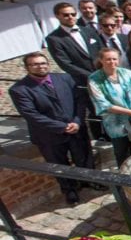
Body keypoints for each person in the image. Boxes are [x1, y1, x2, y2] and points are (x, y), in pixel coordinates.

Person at [10, 52, 95, 205]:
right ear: (27, 67)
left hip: (76, 128)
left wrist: (77, 121)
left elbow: (80, 101)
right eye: (35, 64)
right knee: (59, 165)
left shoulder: (65, 78)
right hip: (49, 135)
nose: (40, 66)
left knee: (83, 157)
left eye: (43, 63)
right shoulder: (19, 89)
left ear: (48, 64)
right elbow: (31, 115)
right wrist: (62, 127)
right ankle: (69, 190)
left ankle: (89, 181)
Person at [88, 48, 131, 166]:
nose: (112, 62)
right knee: (123, 156)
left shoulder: (128, 74)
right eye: (108, 59)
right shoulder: (94, 79)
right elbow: (103, 104)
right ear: (101, 60)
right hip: (116, 124)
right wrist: (130, 112)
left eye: (114, 59)